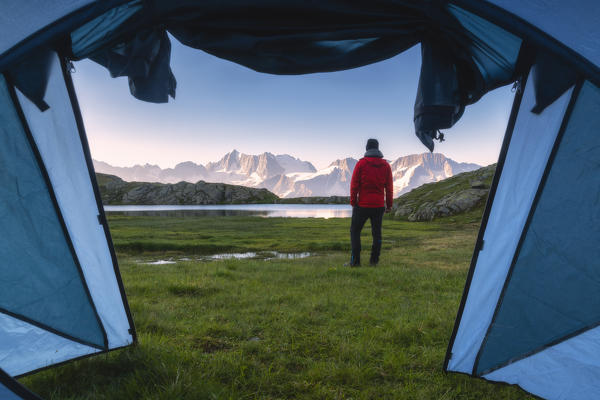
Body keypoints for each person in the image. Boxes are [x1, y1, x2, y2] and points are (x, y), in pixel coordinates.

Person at [347, 138, 393, 267]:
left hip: (362, 205)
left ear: (367, 148)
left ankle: (355, 262)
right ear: (378, 148)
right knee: (377, 233)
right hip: (378, 206)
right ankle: (374, 261)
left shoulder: (361, 164)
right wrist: (389, 205)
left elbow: (354, 185)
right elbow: (389, 188)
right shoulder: (385, 165)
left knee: (355, 232)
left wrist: (353, 201)